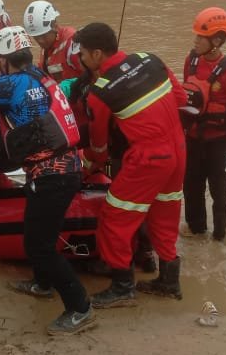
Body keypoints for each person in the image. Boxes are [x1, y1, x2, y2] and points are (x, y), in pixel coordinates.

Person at [0, 26, 95, 335]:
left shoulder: (11, 83)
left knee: (39, 245)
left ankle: (80, 307)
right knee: (39, 232)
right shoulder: (40, 76)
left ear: (4, 60)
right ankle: (42, 283)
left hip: (51, 175)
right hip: (65, 167)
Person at [75, 22, 188, 307]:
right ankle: (169, 281)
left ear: (98, 54)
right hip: (178, 149)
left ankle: (123, 287)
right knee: (165, 212)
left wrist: (90, 164)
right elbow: (181, 98)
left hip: (148, 158)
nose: (83, 60)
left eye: (85, 55)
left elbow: (99, 145)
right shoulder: (150, 59)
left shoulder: (100, 91)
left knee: (114, 218)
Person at [181, 7, 226, 240]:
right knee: (191, 188)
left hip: (219, 143)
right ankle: (196, 231)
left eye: (201, 36)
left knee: (220, 192)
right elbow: (185, 95)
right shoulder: (191, 61)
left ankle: (219, 236)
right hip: (193, 138)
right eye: (196, 35)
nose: (196, 40)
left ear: (217, 40)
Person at [22, 0, 84, 82]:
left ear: (54, 26)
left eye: (43, 36)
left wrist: (72, 85)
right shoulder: (47, 47)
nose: (40, 41)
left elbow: (92, 75)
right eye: (36, 37)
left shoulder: (71, 44)